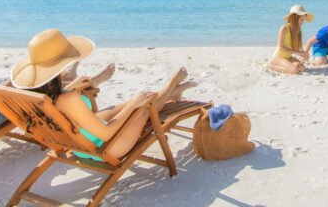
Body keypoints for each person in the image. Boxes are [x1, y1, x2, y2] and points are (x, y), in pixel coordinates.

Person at [11, 28, 197, 160]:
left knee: (125, 105)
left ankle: (173, 92)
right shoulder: (69, 100)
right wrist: (133, 105)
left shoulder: (34, 95)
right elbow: (107, 134)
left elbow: (59, 106)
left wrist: (73, 86)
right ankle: (173, 82)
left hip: (77, 141)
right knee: (143, 107)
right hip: (106, 148)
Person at [269, 5, 313, 75]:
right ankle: (270, 66)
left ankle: (286, 65)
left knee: (302, 68)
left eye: (304, 20)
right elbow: (281, 48)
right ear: (295, 18)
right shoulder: (284, 28)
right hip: (278, 57)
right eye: (301, 20)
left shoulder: (298, 30)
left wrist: (303, 54)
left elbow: (294, 48)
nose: (303, 22)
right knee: (294, 70)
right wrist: (299, 53)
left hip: (288, 57)